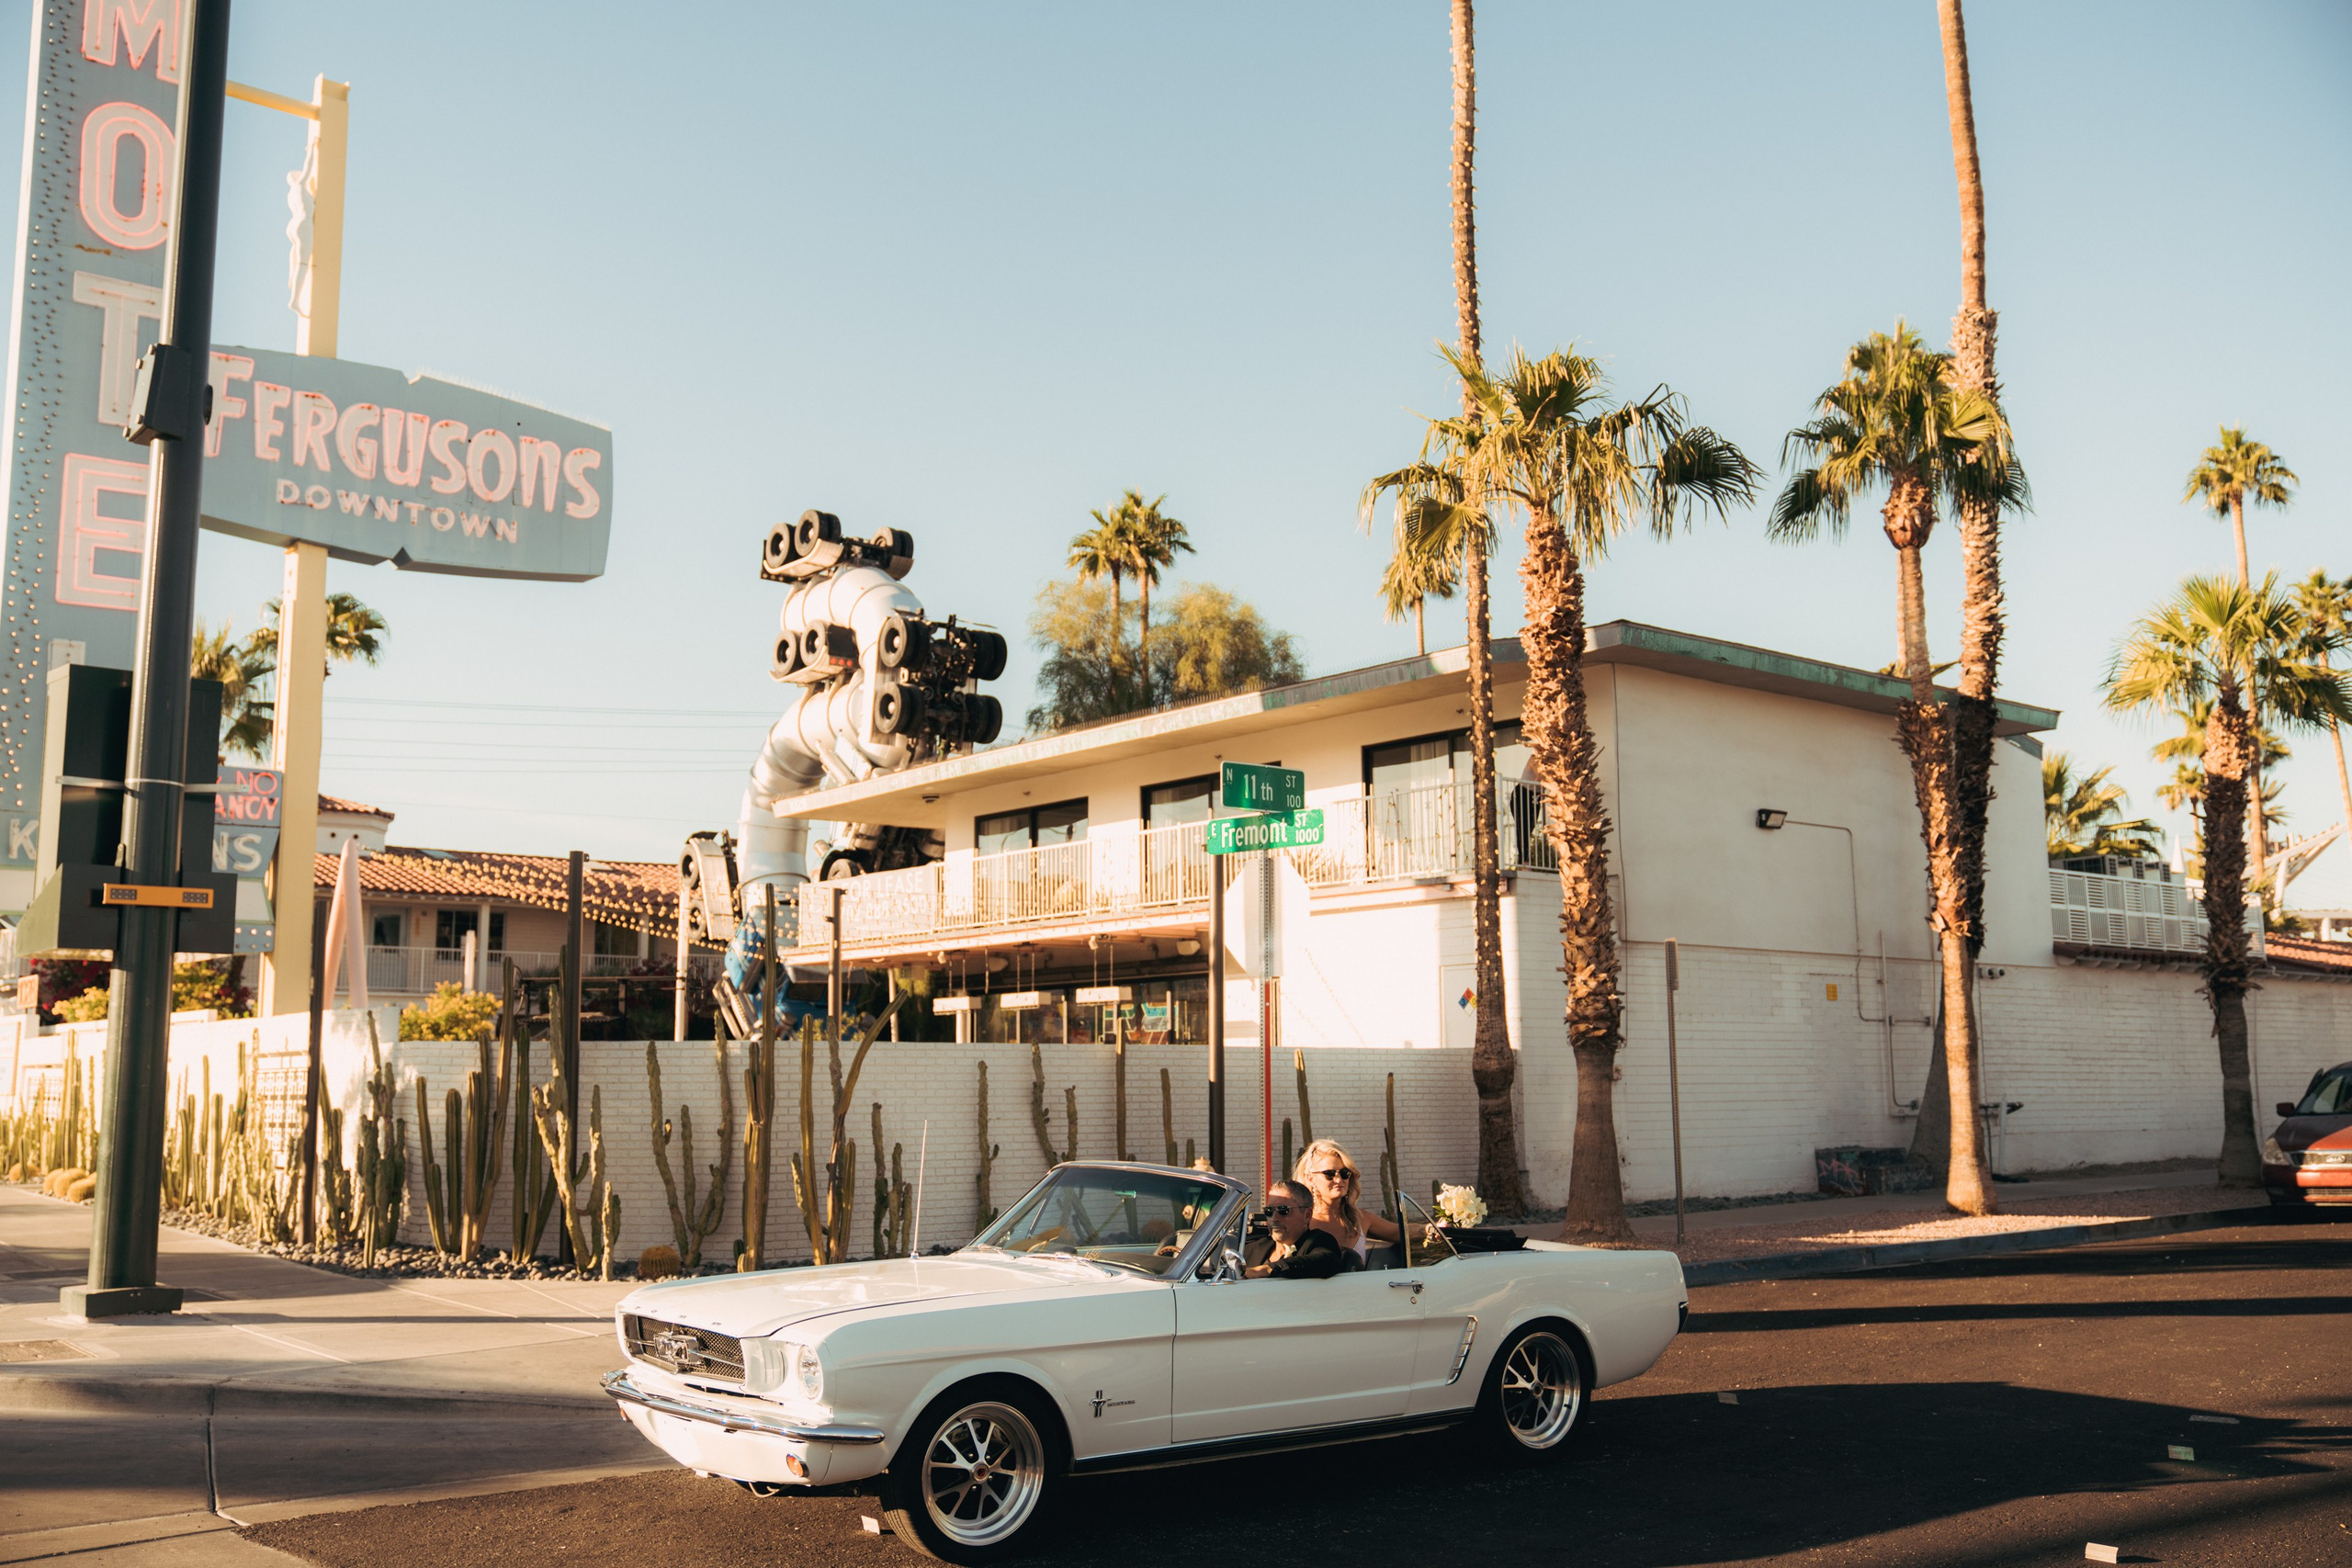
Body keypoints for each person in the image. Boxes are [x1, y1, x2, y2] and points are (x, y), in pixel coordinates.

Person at [1295, 1137, 1403, 1268]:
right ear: (1310, 1178)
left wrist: (1427, 1229)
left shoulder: (1361, 1218)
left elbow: (1400, 1232)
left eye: (1345, 1173)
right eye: (1330, 1174)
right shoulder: (1298, 1221)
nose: (1339, 1180)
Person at [1243, 1179, 1344, 1280]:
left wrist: (1268, 1269)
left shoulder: (1318, 1241)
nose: (1274, 1218)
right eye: (1269, 1211)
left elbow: (1325, 1262)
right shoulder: (1252, 1250)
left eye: (1283, 1210)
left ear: (1307, 1215)